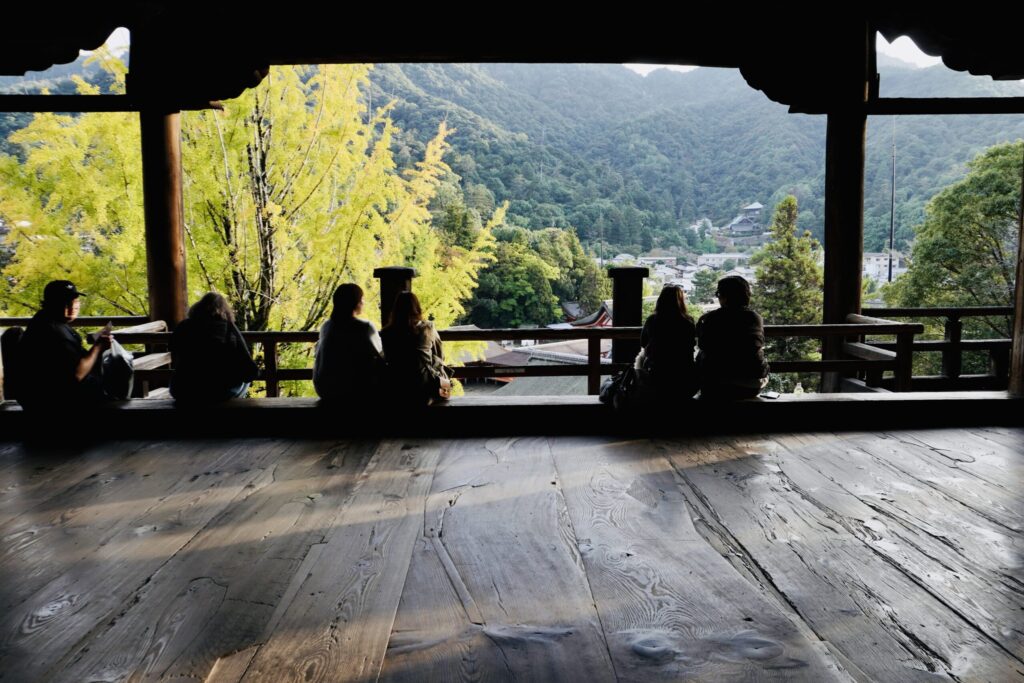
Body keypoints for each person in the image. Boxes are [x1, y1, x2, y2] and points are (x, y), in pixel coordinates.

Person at [15, 280, 111, 410]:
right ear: (51, 303)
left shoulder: (45, 319)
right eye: (66, 302)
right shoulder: (53, 330)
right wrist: (98, 347)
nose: (73, 307)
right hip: (54, 403)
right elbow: (76, 375)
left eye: (75, 302)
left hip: (38, 397)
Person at [169, 292, 257, 402]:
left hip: (181, 390)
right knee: (244, 383)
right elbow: (249, 369)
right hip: (218, 392)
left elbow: (174, 352)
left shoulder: (183, 326)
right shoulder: (229, 329)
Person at [696, 275, 770, 400]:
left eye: (718, 294)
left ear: (724, 296)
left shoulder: (710, 318)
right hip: (751, 385)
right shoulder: (755, 318)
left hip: (715, 385)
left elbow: (703, 345)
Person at [313, 283, 385, 402]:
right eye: (362, 299)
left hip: (324, 390)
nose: (363, 303)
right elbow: (381, 356)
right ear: (355, 303)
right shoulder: (365, 327)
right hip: (352, 390)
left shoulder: (326, 326)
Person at [380, 291, 452, 406]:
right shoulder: (427, 328)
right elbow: (440, 355)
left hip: (396, 389)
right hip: (424, 389)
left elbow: (388, 358)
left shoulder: (386, 333)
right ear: (417, 307)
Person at [639, 285, 699, 401]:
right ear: (680, 301)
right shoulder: (688, 321)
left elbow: (643, 342)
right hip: (684, 377)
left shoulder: (653, 320)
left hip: (657, 375)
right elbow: (691, 343)